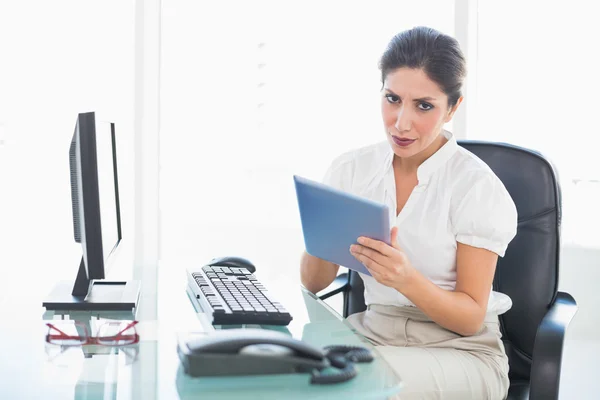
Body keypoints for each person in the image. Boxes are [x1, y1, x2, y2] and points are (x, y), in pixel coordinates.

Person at [300, 26, 517, 400]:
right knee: (286, 373)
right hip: (373, 334)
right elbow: (314, 283)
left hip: (460, 352)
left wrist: (405, 278)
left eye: (424, 106)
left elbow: (468, 319)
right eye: (392, 98)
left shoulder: (476, 186)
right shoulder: (351, 170)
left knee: (355, 385)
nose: (401, 122)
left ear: (453, 108)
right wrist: (324, 227)